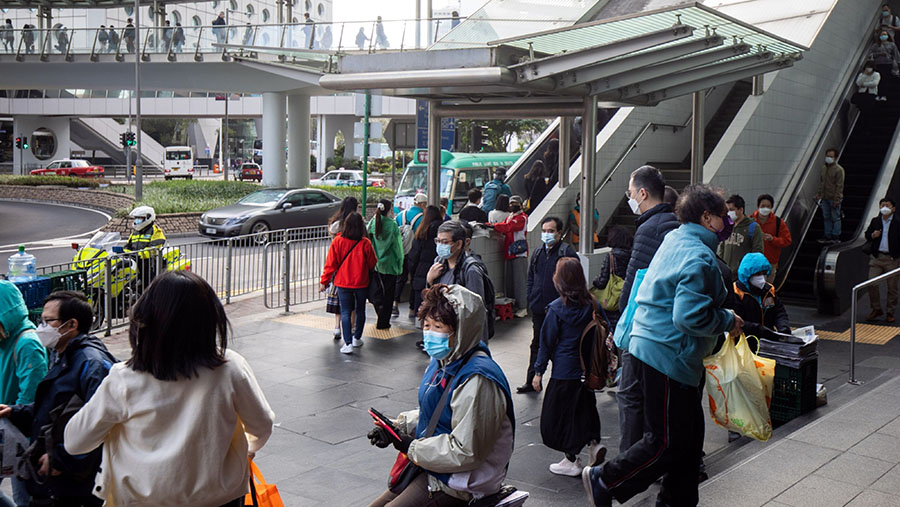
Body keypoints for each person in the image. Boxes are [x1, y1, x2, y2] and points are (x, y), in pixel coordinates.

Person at [582, 184, 744, 507]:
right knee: (666, 442)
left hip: (652, 348)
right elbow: (688, 317)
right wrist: (728, 320)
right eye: (723, 216)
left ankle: (674, 502)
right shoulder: (699, 257)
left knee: (688, 440)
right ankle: (606, 478)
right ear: (707, 216)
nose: (728, 222)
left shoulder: (676, 239)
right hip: (669, 355)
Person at [62, 272, 274, 507]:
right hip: (220, 499)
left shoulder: (124, 379)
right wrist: (247, 449)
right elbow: (261, 425)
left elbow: (75, 441)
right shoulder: (230, 367)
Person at [367, 284, 514, 506]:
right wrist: (397, 427)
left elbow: (467, 451)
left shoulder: (478, 379)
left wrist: (412, 447)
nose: (430, 333)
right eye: (426, 325)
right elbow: (435, 410)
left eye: (438, 326)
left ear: (462, 330)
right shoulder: (444, 361)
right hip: (437, 465)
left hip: (462, 480)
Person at [0, 291, 117, 507]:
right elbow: (56, 407)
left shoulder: (91, 364)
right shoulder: (65, 355)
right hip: (56, 480)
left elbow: (100, 424)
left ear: (71, 324)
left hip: (75, 485)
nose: (40, 328)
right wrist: (16, 411)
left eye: (48, 321)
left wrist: (63, 458)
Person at [616, 165, 679, 454]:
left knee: (629, 393)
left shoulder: (648, 228)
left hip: (643, 323)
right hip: (670, 325)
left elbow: (633, 281)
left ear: (642, 193)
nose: (631, 200)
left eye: (631, 194)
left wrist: (619, 321)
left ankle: (629, 459)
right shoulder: (677, 224)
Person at [533, 258, 606, 476]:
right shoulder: (593, 303)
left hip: (564, 371)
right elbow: (605, 329)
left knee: (558, 417)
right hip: (588, 371)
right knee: (585, 409)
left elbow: (545, 343)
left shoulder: (556, 310)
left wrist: (538, 372)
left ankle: (571, 460)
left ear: (560, 280)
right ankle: (594, 443)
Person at [0, 281, 49, 507]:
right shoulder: (4, 341)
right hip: (5, 430)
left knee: (24, 499)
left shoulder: (27, 344)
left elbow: (31, 399)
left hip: (18, 439)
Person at [520, 216, 578, 394]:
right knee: (537, 344)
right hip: (539, 308)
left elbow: (575, 280)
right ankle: (531, 381)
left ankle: (559, 384)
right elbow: (531, 277)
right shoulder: (537, 252)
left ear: (559, 233)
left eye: (551, 231)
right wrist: (531, 296)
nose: (546, 234)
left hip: (559, 311)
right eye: (544, 231)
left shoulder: (566, 252)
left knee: (559, 347)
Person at [320, 213, 377, 354]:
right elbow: (372, 263)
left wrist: (324, 282)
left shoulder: (338, 241)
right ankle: (357, 337)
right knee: (360, 310)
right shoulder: (365, 243)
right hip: (361, 283)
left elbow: (330, 265)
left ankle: (348, 343)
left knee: (345, 312)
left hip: (343, 283)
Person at [427, 221, 492, 339]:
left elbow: (476, 311)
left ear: (459, 244)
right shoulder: (438, 263)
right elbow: (431, 299)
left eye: (445, 242)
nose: (440, 245)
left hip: (462, 335)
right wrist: (429, 280)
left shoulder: (471, 270)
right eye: (438, 241)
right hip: (442, 331)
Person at [732, 253, 790, 339]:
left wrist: (783, 327)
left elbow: (779, 311)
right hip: (744, 341)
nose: (762, 277)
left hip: (767, 339)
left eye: (764, 273)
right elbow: (738, 321)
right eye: (758, 274)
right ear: (747, 275)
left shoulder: (769, 290)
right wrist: (759, 329)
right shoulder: (736, 292)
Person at [327, 197, 360, 338]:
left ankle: (337, 327)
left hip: (338, 265)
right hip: (355, 266)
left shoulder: (336, 224)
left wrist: (324, 281)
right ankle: (352, 327)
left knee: (338, 296)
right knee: (352, 301)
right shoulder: (358, 222)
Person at [491, 195, 529, 318]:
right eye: (511, 203)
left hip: (519, 252)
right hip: (509, 251)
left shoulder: (522, 218)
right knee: (510, 281)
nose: (512, 205)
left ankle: (523, 307)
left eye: (515, 203)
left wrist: (493, 226)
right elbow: (504, 224)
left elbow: (508, 227)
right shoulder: (510, 217)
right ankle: (514, 304)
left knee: (519, 281)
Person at [368, 200, 404, 330]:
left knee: (377, 292)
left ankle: (380, 314)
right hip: (390, 265)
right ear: (389, 209)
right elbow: (397, 247)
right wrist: (400, 263)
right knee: (388, 295)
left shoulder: (372, 222)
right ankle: (383, 321)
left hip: (375, 265)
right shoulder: (392, 225)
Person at [864, 197, 900, 322]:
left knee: (892, 287)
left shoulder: (898, 222)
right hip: (876, 257)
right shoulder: (875, 221)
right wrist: (873, 235)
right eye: (882, 205)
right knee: (871, 283)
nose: (884, 208)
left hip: (892, 259)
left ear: (893, 209)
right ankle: (876, 308)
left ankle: (890, 312)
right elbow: (867, 235)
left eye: (888, 206)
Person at [591, 226, 632, 330]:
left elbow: (602, 281)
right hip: (625, 295)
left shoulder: (611, 256)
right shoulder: (632, 255)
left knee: (610, 329)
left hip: (611, 300)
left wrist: (594, 282)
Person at [407, 205, 443, 318]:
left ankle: (423, 325)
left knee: (422, 306)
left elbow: (413, 257)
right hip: (439, 271)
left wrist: (412, 272)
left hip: (421, 273)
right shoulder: (443, 229)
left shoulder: (422, 232)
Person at [750, 193, 792, 282]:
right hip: (752, 262)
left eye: (768, 206)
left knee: (766, 290)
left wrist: (773, 239)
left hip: (770, 263)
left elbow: (787, 240)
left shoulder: (778, 222)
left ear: (772, 207)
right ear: (758, 206)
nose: (765, 208)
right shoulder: (750, 220)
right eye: (763, 206)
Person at [717, 194, 764, 274]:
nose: (729, 213)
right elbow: (721, 248)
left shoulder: (753, 227)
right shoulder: (726, 226)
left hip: (742, 275)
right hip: (726, 274)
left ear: (741, 210)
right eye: (727, 211)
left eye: (732, 210)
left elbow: (757, 252)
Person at [816, 148, 845, 244]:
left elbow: (839, 185)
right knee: (826, 217)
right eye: (827, 156)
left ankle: (836, 236)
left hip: (834, 198)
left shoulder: (839, 170)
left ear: (835, 158)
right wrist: (819, 194)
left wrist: (837, 199)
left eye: (831, 156)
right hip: (825, 198)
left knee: (836, 217)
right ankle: (827, 235)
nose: (828, 158)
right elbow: (822, 182)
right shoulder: (824, 168)